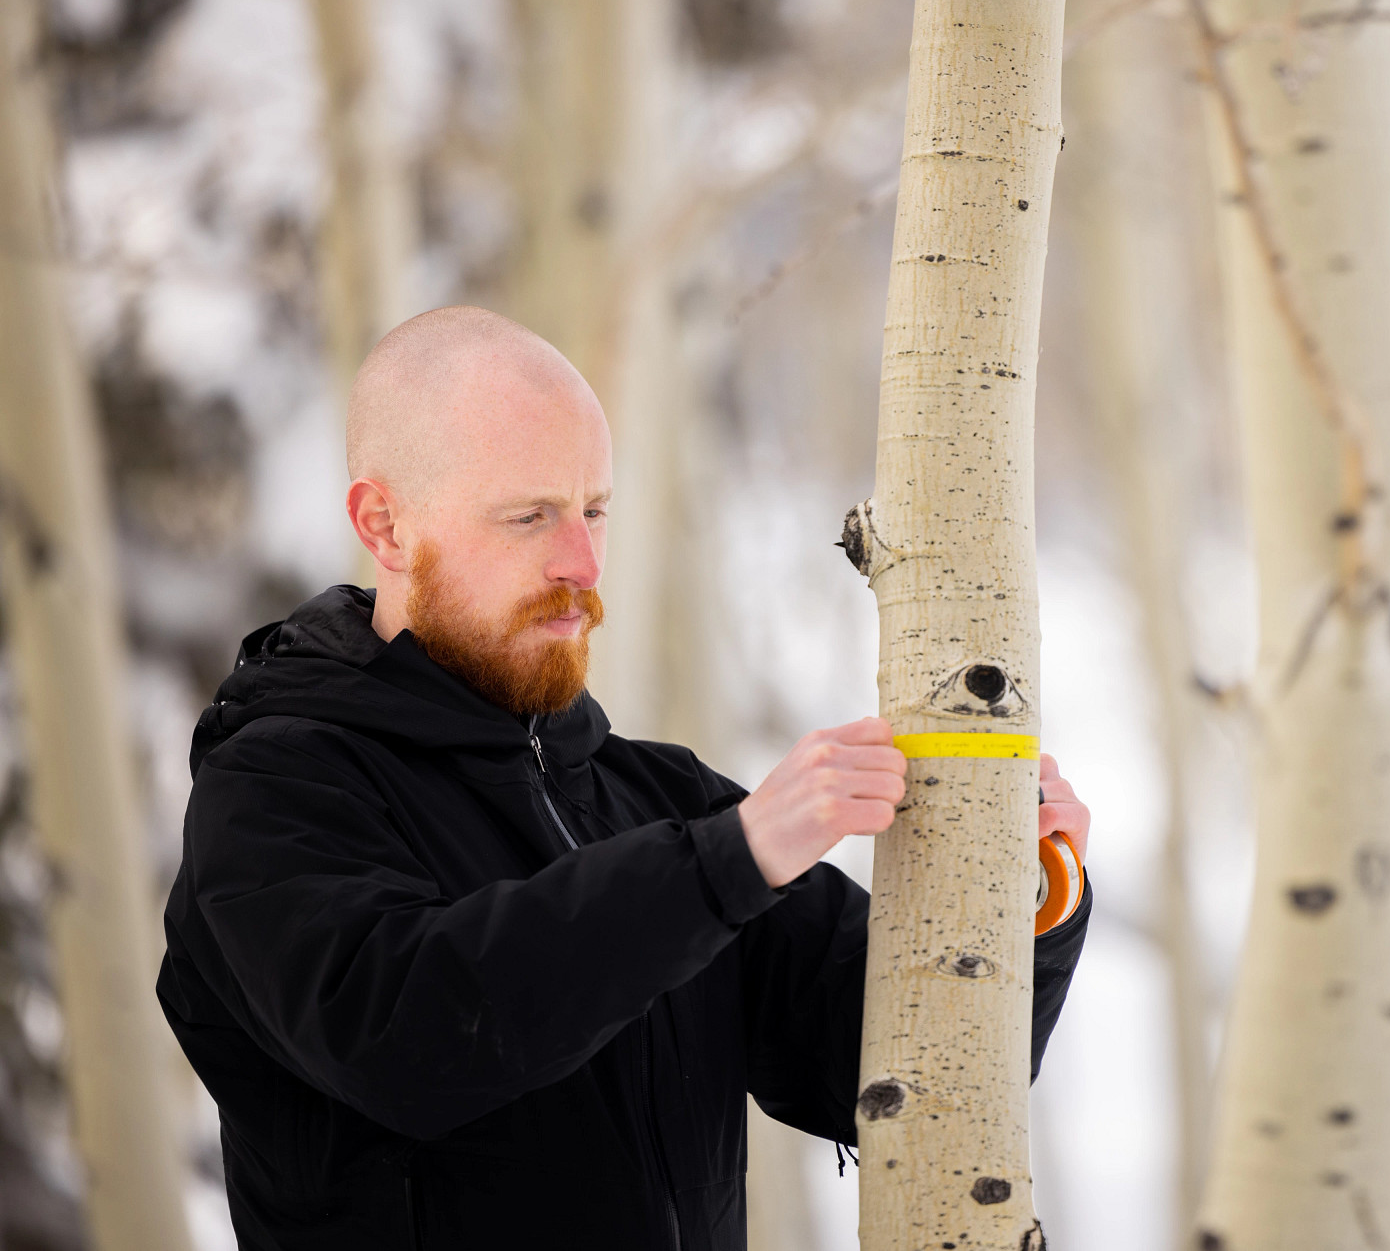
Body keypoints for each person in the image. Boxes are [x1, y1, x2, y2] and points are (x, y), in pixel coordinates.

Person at [157, 307, 1092, 1249]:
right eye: (530, 516)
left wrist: (1024, 898)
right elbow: (410, 1039)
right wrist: (726, 865)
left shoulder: (655, 798)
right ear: (386, 525)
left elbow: (891, 1058)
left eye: (595, 509)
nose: (584, 563)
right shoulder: (271, 793)